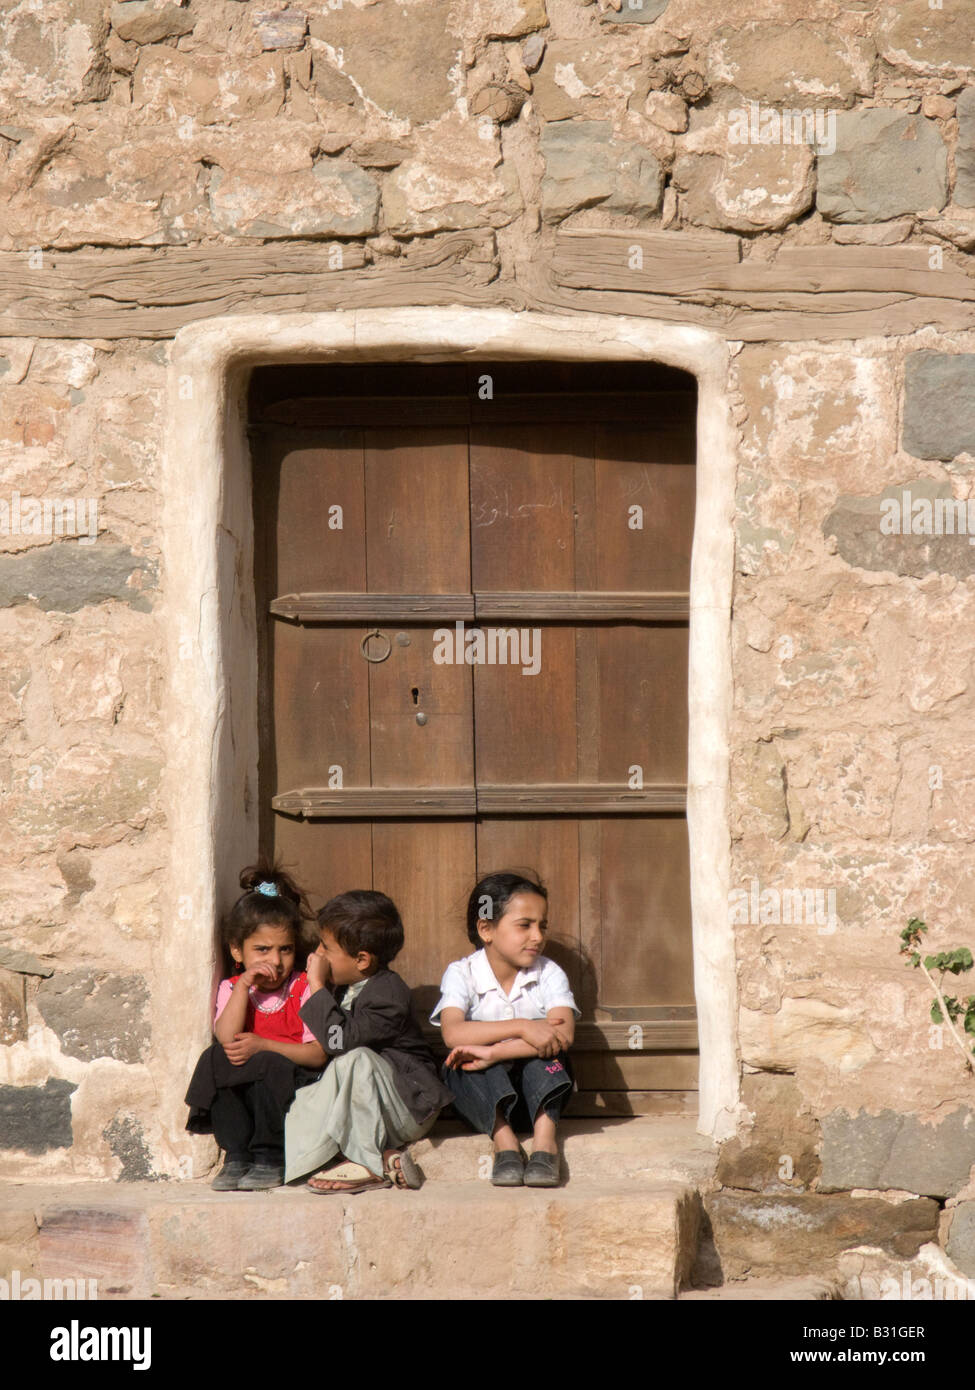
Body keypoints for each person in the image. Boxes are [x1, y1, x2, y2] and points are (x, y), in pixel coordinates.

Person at [284, 890, 453, 1194]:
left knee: (355, 1059)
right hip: (372, 1110)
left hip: (406, 1105)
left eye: (326, 947)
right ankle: (382, 1157)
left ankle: (367, 1165)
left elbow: (339, 1041)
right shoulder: (342, 987)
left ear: (362, 959)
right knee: (307, 1099)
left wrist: (316, 985)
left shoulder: (388, 993)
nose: (318, 955)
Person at [431, 870, 580, 1188]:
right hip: (483, 1104)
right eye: (525, 925)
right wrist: (526, 1027)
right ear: (486, 929)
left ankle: (545, 1144)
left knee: (548, 1055)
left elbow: (564, 1035)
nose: (538, 936)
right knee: (463, 1061)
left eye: (542, 925)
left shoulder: (548, 973)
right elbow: (453, 1033)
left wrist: (495, 1050)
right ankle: (505, 1144)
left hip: (540, 1099)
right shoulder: (463, 973)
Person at [185, 862, 326, 1191]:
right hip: (248, 1079)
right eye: (262, 950)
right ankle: (236, 1154)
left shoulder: (303, 988)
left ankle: (270, 1156)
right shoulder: (232, 988)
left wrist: (264, 1046)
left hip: (290, 1081)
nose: (275, 962)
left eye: (285, 950)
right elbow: (226, 1037)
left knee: (267, 1063)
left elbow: (317, 1055)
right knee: (214, 1057)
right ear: (237, 950)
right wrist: (243, 985)